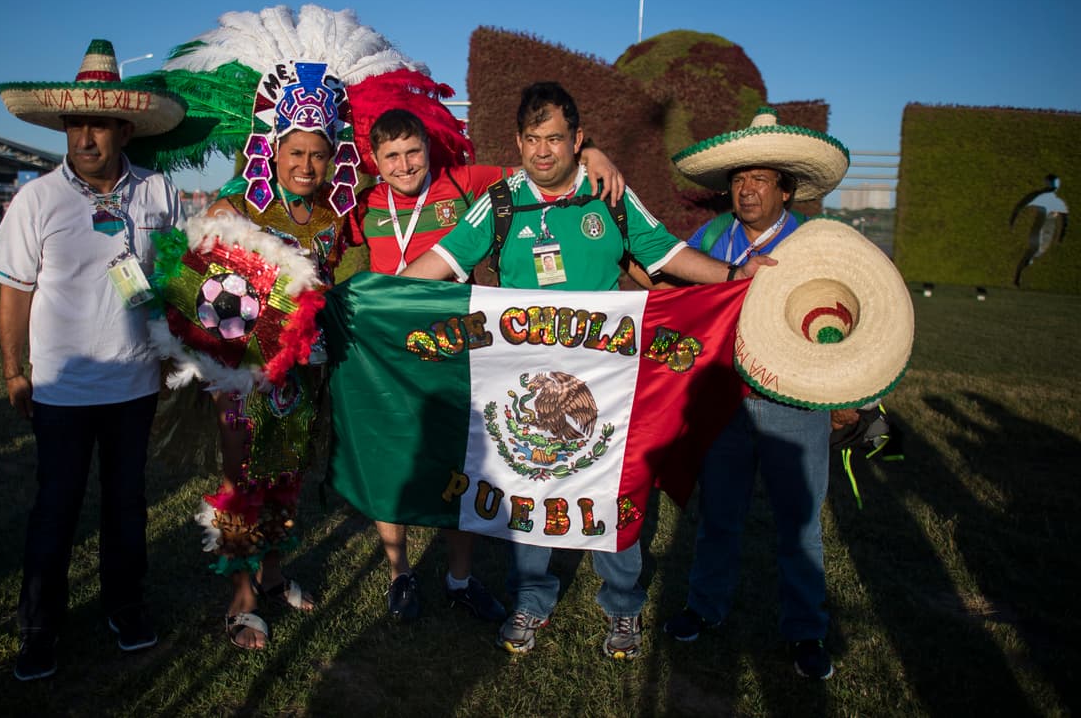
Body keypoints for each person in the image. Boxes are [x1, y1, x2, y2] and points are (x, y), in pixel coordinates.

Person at [401, 82, 770, 659]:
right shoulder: (499, 202)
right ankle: (531, 599)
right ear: (518, 141)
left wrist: (732, 279)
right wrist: (379, 297)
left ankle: (622, 605)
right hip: (525, 381)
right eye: (531, 139)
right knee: (528, 486)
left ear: (577, 140)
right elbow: (442, 260)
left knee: (611, 489)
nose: (543, 152)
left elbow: (665, 254)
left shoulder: (610, 194)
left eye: (554, 139)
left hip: (608, 380)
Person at [349, 108, 626, 624]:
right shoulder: (362, 203)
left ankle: (459, 578)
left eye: (414, 152)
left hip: (457, 348)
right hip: (390, 349)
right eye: (392, 156)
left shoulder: (465, 181)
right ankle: (400, 575)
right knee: (391, 462)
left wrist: (592, 152)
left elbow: (544, 170)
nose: (405, 165)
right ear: (375, 160)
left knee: (465, 463)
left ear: (429, 149)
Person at [0, 39, 186, 681]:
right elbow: (15, 294)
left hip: (134, 384)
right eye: (75, 124)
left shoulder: (159, 193)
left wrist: (173, 363)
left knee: (127, 505)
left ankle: (126, 608)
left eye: (98, 124)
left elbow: (173, 282)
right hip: (63, 389)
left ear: (124, 129)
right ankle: (40, 628)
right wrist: (15, 372)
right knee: (56, 508)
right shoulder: (37, 199)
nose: (85, 136)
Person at [660, 107, 854, 680]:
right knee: (718, 514)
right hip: (724, 401)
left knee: (799, 525)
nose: (746, 190)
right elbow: (677, 288)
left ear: (786, 190)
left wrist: (849, 392)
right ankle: (705, 607)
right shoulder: (712, 236)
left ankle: (805, 632)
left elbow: (842, 321)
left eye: (760, 180)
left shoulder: (815, 245)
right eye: (739, 180)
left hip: (796, 405)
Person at [190, 61, 355, 651]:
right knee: (241, 480)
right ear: (273, 150)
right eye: (295, 152)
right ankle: (240, 598)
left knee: (287, 476)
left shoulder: (333, 215)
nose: (306, 166)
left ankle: (275, 572)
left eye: (317, 154)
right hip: (244, 375)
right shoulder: (242, 203)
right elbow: (202, 270)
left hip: (304, 371)